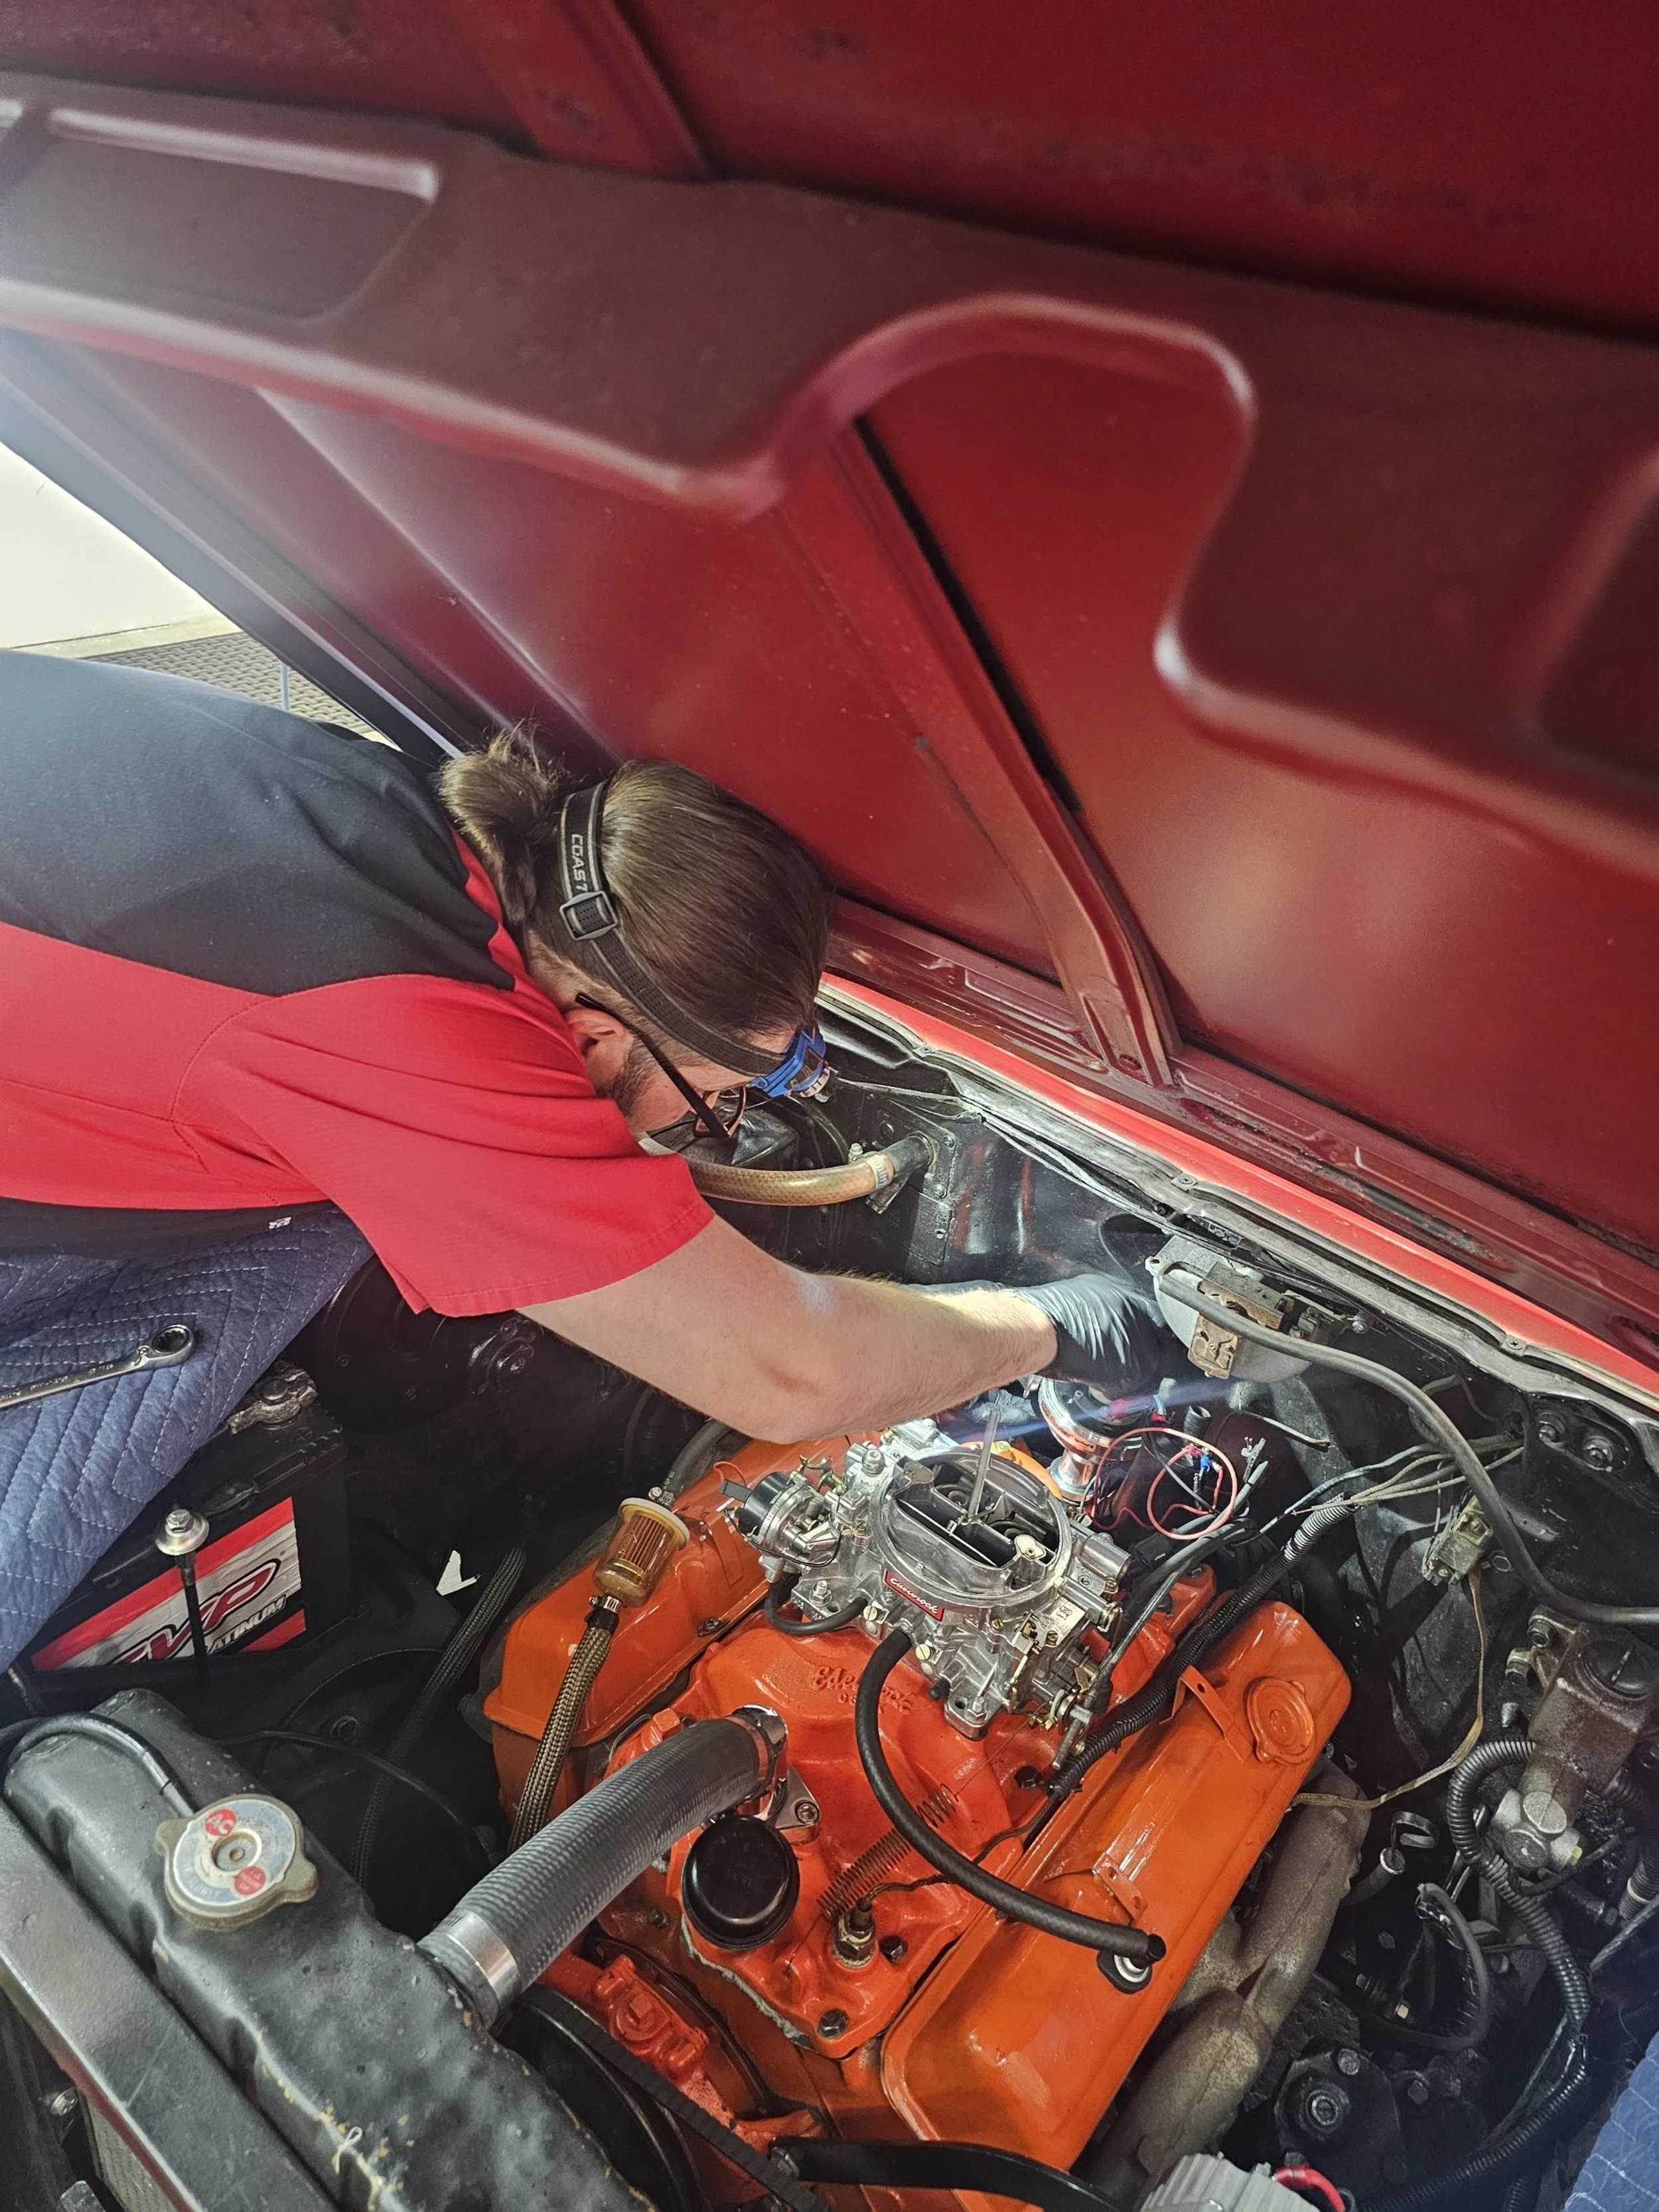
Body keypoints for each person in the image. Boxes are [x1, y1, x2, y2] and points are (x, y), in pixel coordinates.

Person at [0, 650, 1166, 1452]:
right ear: (601, 1034)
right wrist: (1056, 1325)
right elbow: (787, 1375)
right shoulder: (404, 1023)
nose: (709, 1129)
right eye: (710, 1103)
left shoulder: (406, 822)